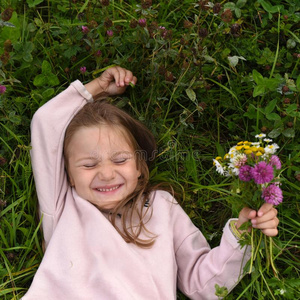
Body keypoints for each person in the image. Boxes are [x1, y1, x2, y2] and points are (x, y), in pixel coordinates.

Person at [23, 66, 279, 300]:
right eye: (89, 165)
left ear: (139, 167)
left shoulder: (161, 207)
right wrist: (98, 88)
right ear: (68, 175)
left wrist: (242, 236)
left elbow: (203, 286)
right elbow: (46, 123)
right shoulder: (62, 204)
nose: (106, 174)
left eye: (120, 160)